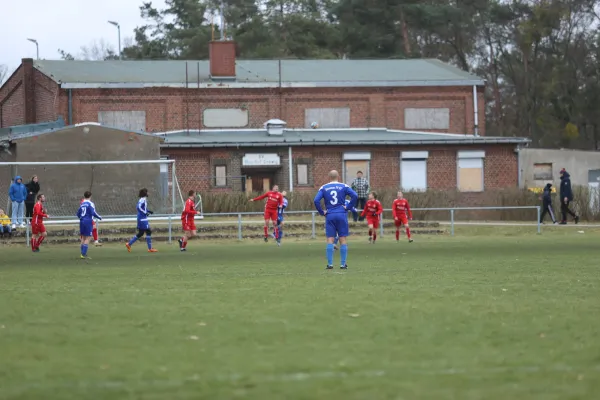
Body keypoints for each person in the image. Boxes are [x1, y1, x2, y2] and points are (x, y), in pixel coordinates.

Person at [314, 170, 358, 270]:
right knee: (342, 239)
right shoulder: (344, 186)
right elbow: (355, 196)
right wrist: (348, 207)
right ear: (338, 176)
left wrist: (322, 212)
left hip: (330, 215)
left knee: (330, 239)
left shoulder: (324, 187)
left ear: (329, 177)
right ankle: (343, 264)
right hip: (341, 214)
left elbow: (316, 200)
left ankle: (330, 264)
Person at [126, 188, 158, 253]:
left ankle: (129, 244)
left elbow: (143, 208)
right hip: (142, 218)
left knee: (141, 233)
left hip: (142, 218)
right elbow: (138, 207)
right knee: (148, 231)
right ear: (145, 193)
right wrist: (145, 212)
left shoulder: (143, 199)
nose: (148, 193)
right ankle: (150, 248)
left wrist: (148, 211)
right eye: (147, 192)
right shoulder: (142, 200)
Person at [77, 191, 102, 259]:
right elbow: (93, 212)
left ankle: (82, 253)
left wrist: (82, 218)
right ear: (90, 196)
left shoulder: (82, 204)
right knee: (88, 238)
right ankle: (83, 254)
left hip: (82, 221)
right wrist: (99, 217)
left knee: (83, 238)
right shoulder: (90, 203)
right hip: (88, 221)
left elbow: (78, 213)